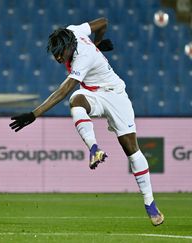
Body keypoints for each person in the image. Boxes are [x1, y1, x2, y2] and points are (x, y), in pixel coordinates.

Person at [9, 17, 164, 226]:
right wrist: (100, 42)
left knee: (131, 148)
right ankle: (94, 149)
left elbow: (63, 91)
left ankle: (150, 203)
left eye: (60, 52)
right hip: (93, 94)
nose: (57, 57)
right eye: (54, 52)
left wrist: (34, 114)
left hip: (115, 95)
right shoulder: (73, 31)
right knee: (77, 100)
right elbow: (103, 23)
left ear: (70, 46)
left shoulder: (84, 56)